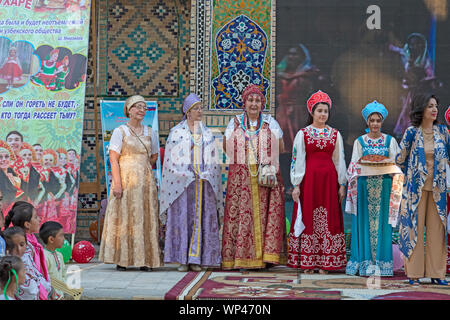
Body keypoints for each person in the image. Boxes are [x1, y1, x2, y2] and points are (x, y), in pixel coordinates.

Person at [221, 84, 286, 270]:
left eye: (257, 100)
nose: (254, 104)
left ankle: (265, 259)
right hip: (241, 180)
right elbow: (226, 147)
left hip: (265, 178)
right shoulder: (234, 122)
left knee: (266, 217)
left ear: (262, 103)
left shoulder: (270, 122)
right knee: (242, 217)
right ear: (244, 102)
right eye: (250, 100)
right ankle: (243, 258)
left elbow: (280, 147)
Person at [99, 95, 162, 271]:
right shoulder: (120, 131)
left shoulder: (151, 132)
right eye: (138, 107)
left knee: (144, 216)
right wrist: (117, 183)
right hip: (125, 178)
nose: (142, 110)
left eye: (144, 107)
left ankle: (145, 259)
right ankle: (123, 258)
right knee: (125, 216)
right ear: (129, 110)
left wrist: (142, 170)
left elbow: (154, 156)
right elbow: (113, 158)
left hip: (145, 181)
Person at [287, 90, 347, 274]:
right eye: (319, 110)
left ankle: (326, 263)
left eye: (325, 111)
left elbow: (339, 160)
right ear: (312, 113)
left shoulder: (335, 134)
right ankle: (308, 262)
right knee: (309, 217)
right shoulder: (303, 134)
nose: (323, 114)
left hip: (329, 182)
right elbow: (297, 160)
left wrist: (342, 183)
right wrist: (296, 185)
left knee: (328, 219)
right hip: (309, 181)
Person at [161, 94, 223, 272]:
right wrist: (183, 174)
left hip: (202, 183)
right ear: (187, 112)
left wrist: (207, 173)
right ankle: (182, 259)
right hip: (182, 185)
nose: (200, 111)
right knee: (183, 219)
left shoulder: (207, 132)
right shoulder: (177, 133)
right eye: (196, 108)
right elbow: (170, 161)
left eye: (201, 108)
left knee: (201, 218)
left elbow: (213, 158)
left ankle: (197, 259)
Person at [396, 93, 450, 285]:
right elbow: (399, 159)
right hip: (414, 191)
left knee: (437, 231)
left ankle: (437, 274)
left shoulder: (443, 132)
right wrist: (407, 180)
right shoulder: (411, 132)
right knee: (414, 230)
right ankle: (414, 274)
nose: (434, 110)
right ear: (421, 109)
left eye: (435, 106)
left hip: (438, 190)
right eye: (430, 106)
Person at [345, 101, 402, 277]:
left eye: (378, 120)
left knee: (384, 225)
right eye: (372, 120)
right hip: (364, 188)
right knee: (364, 225)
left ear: (382, 122)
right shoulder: (359, 142)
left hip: (385, 187)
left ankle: (382, 265)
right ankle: (364, 263)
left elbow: (397, 164)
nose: (375, 124)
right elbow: (353, 167)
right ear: (367, 122)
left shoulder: (390, 141)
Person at [389, 33, 439, 138]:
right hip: (406, 91)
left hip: (420, 93)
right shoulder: (405, 55)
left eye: (417, 44)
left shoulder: (425, 60)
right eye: (412, 44)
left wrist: (420, 83)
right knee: (405, 112)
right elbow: (394, 48)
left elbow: (431, 76)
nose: (414, 47)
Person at [4, 201, 53, 299]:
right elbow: (30, 274)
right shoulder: (25, 248)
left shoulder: (31, 241)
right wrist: (43, 290)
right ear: (27, 224)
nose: (39, 219)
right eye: (35, 217)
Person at [39, 221, 66, 299]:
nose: (64, 239)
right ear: (51, 239)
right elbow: (43, 279)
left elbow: (63, 274)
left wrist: (62, 292)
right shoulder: (43, 256)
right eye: (61, 236)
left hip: (60, 296)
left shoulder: (59, 255)